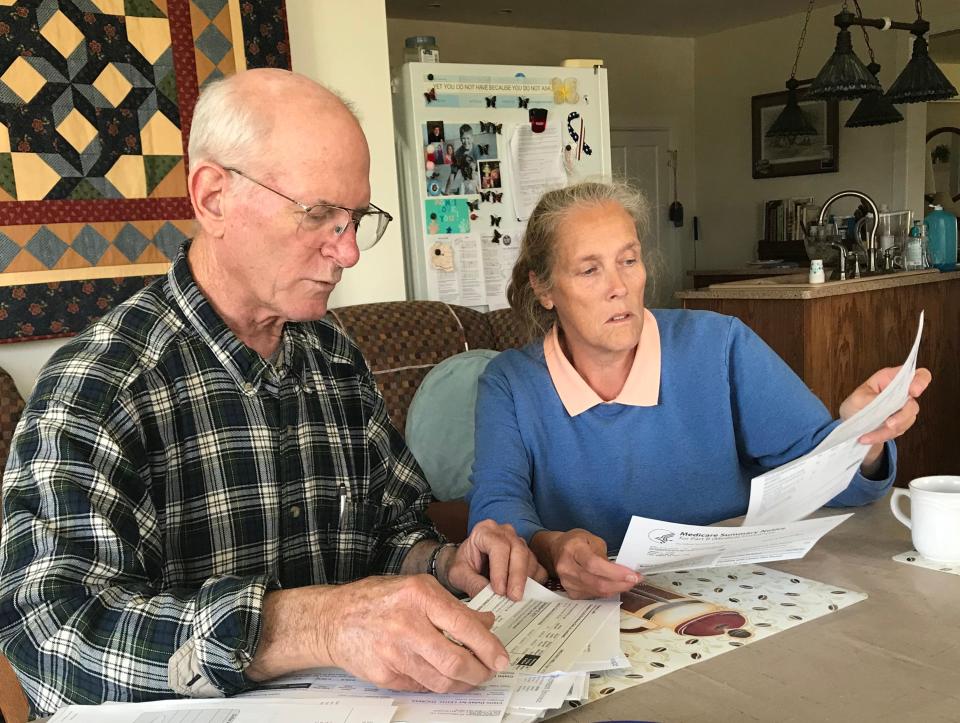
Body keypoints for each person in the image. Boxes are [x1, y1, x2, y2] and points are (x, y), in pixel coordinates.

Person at [0, 69, 545, 717]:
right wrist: (307, 623)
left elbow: (390, 532)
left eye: (356, 218)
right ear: (213, 196)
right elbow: (53, 639)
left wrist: (449, 562)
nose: (348, 252)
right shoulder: (100, 384)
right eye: (318, 214)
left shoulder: (334, 355)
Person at [467, 181, 930, 600]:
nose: (619, 287)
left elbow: (839, 485)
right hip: (597, 610)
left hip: (748, 592)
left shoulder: (720, 345)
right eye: (589, 270)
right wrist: (552, 547)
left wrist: (860, 435)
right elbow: (497, 517)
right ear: (544, 288)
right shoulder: (510, 384)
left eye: (629, 261)